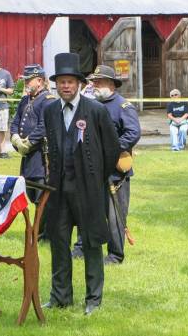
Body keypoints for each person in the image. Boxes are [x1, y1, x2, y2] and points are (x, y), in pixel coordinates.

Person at [40, 53, 119, 316]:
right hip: (59, 190)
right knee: (59, 243)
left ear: (79, 84)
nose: (65, 86)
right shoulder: (50, 110)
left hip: (87, 190)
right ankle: (60, 297)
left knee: (91, 244)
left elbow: (112, 149)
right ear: (56, 84)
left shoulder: (95, 110)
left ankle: (93, 299)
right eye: (61, 81)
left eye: (70, 81)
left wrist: (96, 177)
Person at [85, 64, 141, 265]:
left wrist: (111, 148)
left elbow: (133, 133)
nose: (94, 85)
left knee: (115, 213)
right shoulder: (92, 105)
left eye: (98, 82)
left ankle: (115, 255)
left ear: (110, 84)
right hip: (94, 169)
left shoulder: (123, 106)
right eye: (94, 82)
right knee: (91, 210)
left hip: (115, 171)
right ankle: (86, 247)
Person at [9, 64, 56, 203]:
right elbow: (15, 123)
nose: (25, 83)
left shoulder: (48, 100)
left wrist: (28, 143)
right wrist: (16, 139)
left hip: (40, 157)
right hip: (27, 156)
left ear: (40, 81)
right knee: (29, 194)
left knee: (41, 200)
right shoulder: (25, 99)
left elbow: (44, 126)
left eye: (29, 80)